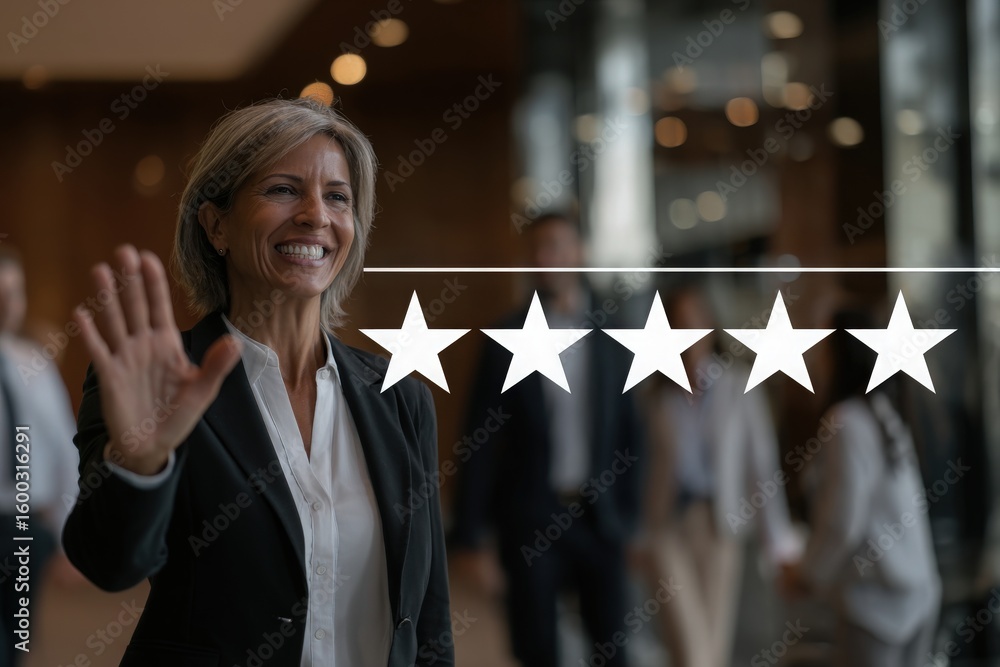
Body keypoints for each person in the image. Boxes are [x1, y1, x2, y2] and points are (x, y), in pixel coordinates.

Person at [61, 98, 453, 667]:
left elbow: (429, 618)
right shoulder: (164, 382)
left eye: (337, 196)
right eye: (283, 190)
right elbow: (111, 563)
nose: (315, 214)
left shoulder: (401, 398)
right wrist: (140, 464)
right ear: (216, 223)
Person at [451, 212, 644, 667]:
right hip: (531, 519)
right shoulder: (505, 338)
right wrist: (469, 535)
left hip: (600, 518)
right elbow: (479, 439)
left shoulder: (614, 336)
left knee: (613, 649)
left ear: (580, 253)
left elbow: (631, 433)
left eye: (556, 246)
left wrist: (631, 517)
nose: (544, 258)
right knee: (537, 649)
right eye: (536, 249)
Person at [637, 284, 800, 667]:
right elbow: (640, 468)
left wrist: (780, 544)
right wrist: (635, 533)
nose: (687, 334)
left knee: (710, 645)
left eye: (694, 322)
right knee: (692, 646)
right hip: (668, 527)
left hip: (721, 525)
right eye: (677, 326)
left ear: (711, 327)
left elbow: (762, 466)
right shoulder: (655, 395)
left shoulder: (739, 387)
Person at [780, 308, 940, 667]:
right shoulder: (885, 410)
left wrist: (806, 575)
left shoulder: (846, 421)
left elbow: (842, 520)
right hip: (918, 592)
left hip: (876, 605)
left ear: (841, 352)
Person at [0, 247, 81, 666]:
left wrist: (68, 537)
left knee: (18, 637)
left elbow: (65, 449)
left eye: (14, 293)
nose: (7, 304)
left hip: (26, 529)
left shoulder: (34, 366)